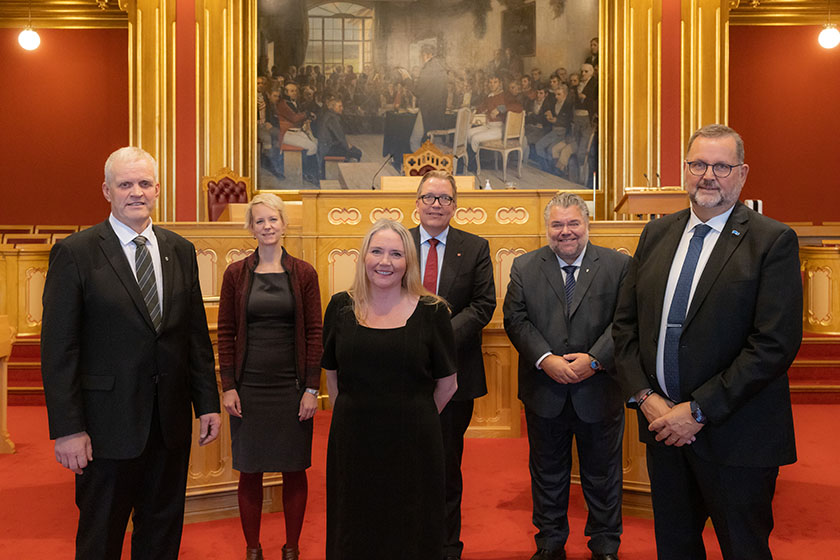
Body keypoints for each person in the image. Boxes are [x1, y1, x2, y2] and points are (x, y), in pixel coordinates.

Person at [612, 124, 802, 560]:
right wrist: (645, 397)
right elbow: (625, 327)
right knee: (675, 548)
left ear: (742, 173)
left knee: (744, 548)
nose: (708, 175)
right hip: (663, 430)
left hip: (737, 434)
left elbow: (773, 344)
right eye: (698, 164)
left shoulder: (771, 241)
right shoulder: (655, 235)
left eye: (721, 166)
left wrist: (698, 410)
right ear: (684, 170)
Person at [40, 146, 221, 559]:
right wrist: (68, 428)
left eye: (144, 183)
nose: (135, 192)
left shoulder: (181, 250)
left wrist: (206, 402)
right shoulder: (76, 253)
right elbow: (59, 349)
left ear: (157, 189)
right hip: (105, 430)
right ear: (107, 190)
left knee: (161, 538)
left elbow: (194, 335)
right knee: (100, 540)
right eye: (125, 184)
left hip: (168, 425)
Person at [322, 219, 458, 560]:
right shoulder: (340, 307)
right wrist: (359, 414)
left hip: (414, 443)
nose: (386, 261)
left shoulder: (433, 311)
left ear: (408, 261)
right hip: (354, 440)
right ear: (363, 257)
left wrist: (411, 415)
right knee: (355, 525)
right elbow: (332, 376)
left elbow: (448, 384)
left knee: (412, 526)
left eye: (396, 254)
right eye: (377, 251)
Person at [504, 192, 629, 560]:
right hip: (545, 390)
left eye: (573, 223)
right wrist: (546, 359)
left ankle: (605, 546)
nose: (566, 232)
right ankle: (549, 544)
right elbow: (515, 319)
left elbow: (624, 322)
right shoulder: (525, 267)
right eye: (557, 224)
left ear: (587, 223)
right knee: (547, 475)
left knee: (603, 476)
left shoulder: (617, 266)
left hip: (600, 389)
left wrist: (594, 360)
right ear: (547, 228)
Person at [217, 193, 323, 560]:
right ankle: (253, 548)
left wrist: (312, 388)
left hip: (292, 388)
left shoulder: (305, 273)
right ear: (250, 227)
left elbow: (314, 333)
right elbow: (226, 332)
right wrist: (228, 386)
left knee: (294, 468)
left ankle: (291, 547)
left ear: (284, 224)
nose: (267, 227)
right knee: (250, 470)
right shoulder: (235, 274)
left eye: (272, 220)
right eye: (259, 221)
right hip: (249, 387)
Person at [409, 171, 496, 560]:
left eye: (444, 199)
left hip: (454, 375)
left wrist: (437, 339)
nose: (436, 205)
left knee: (445, 465)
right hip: (401, 374)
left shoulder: (474, 247)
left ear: (455, 205)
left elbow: (483, 305)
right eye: (429, 197)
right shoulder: (398, 244)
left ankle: (446, 546)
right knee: (402, 463)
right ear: (417, 202)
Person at [410, 43, 449, 152]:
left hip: (427, 110)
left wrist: (407, 80)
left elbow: (417, 91)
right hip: (438, 111)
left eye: (421, 56)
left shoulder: (427, 69)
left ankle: (420, 166)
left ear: (425, 55)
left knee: (414, 140)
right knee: (434, 140)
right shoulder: (441, 67)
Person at [313, 97, 362, 165]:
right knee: (357, 152)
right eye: (339, 106)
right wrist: (348, 147)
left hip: (323, 147)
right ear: (332, 107)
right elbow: (340, 136)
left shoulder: (327, 115)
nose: (342, 108)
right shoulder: (332, 118)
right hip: (328, 149)